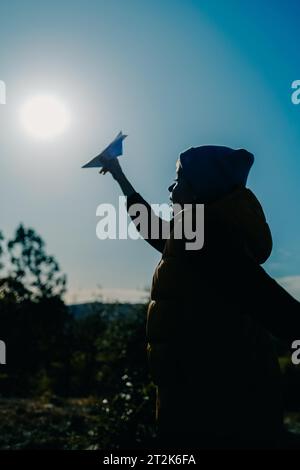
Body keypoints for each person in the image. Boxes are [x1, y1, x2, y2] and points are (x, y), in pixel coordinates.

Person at [99, 145, 300, 449]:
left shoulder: (209, 238)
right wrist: (120, 177)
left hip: (219, 415)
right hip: (202, 406)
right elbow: (152, 228)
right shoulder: (195, 235)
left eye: (179, 178)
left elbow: (272, 306)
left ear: (200, 188)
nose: (171, 186)